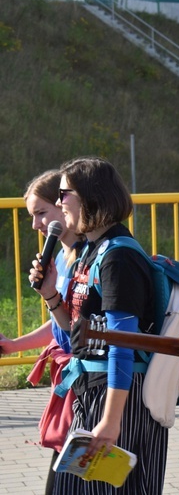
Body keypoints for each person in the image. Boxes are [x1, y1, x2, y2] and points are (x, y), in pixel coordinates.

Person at [29, 156, 168, 494]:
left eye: (64, 194)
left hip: (119, 394)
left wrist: (111, 420)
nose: (60, 203)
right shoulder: (92, 250)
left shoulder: (119, 257)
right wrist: (51, 296)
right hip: (90, 389)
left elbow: (122, 342)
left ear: (91, 196)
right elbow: (74, 336)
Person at [0, 170, 82, 494]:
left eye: (41, 213)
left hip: (89, 385)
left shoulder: (92, 257)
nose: (35, 225)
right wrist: (13, 345)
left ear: (65, 205)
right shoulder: (63, 257)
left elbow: (80, 326)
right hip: (73, 382)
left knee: (69, 481)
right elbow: (61, 321)